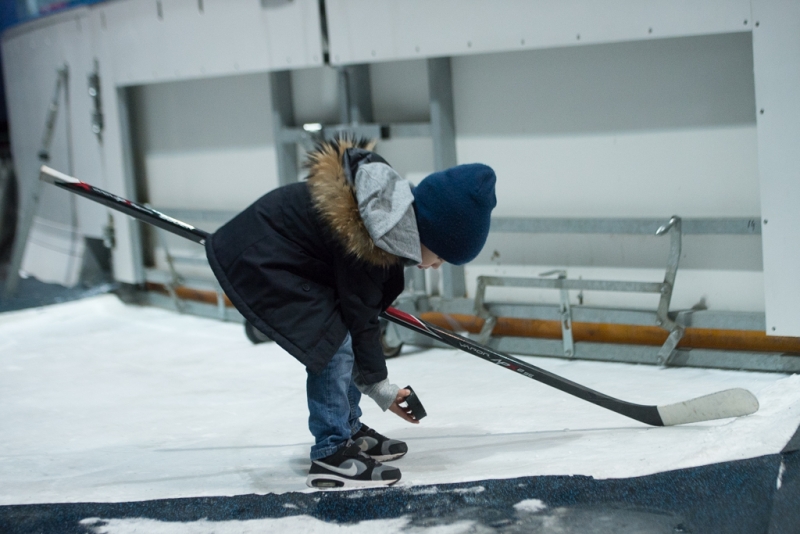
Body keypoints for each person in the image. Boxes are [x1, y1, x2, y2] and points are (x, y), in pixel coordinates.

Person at [206, 137, 497, 488]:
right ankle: (331, 450)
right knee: (332, 342)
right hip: (264, 257)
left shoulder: (387, 224)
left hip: (285, 252)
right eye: (441, 257)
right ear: (430, 233)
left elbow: (361, 314)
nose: (436, 266)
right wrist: (382, 390)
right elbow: (361, 321)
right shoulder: (376, 237)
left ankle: (348, 428)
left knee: (340, 332)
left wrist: (378, 387)